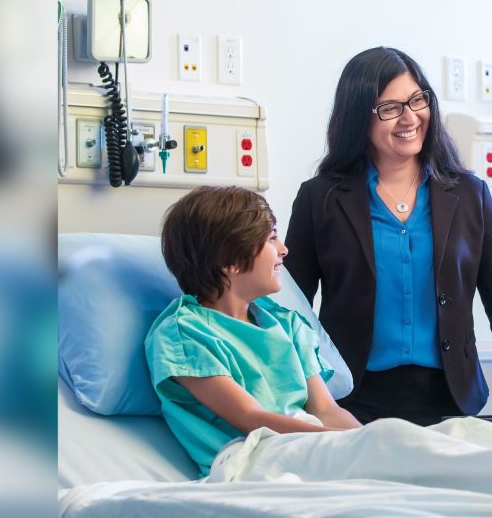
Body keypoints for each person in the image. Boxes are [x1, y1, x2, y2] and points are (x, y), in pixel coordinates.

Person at [284, 46, 492, 426]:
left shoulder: (468, 195)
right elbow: (290, 310)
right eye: (390, 108)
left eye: (416, 100)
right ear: (358, 117)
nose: (409, 117)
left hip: (452, 401)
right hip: (352, 403)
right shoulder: (321, 199)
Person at [145, 185, 361, 475]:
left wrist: (367, 442)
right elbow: (250, 418)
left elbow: (326, 410)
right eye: (271, 238)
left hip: (309, 443)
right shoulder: (184, 333)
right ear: (230, 261)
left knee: (421, 443)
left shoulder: (287, 323)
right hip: (247, 456)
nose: (284, 249)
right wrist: (340, 445)